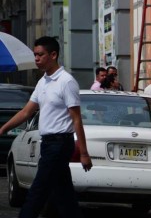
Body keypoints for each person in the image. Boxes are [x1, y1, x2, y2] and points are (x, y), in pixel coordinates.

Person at [0, 36, 92, 217]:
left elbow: (76, 119)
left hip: (60, 143)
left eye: (40, 55)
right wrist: (3, 129)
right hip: (48, 143)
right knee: (64, 195)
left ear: (53, 55)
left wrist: (83, 152)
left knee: (38, 191)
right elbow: (26, 112)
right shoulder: (43, 82)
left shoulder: (66, 81)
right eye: (35, 55)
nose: (36, 59)